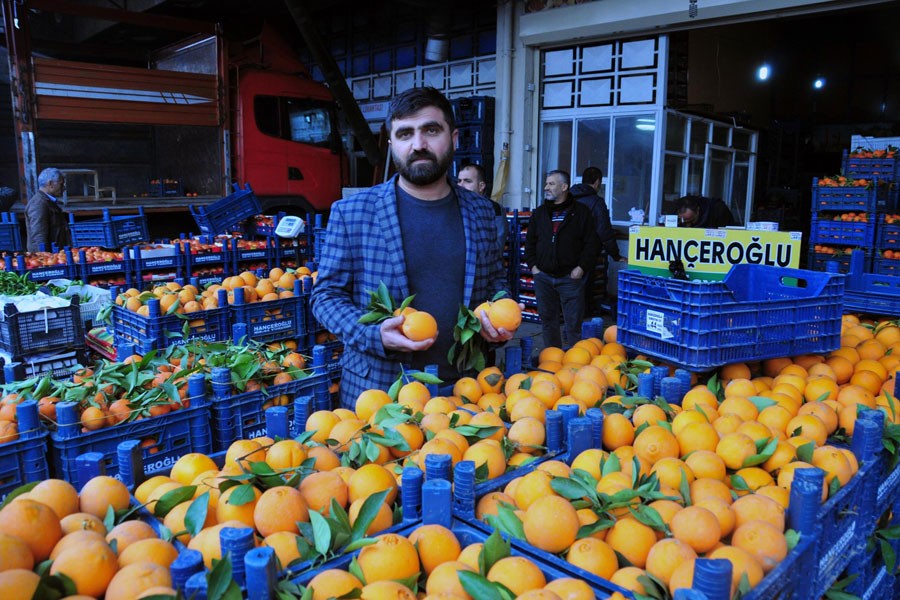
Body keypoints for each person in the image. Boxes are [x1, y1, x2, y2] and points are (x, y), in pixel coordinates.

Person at [311, 87, 513, 409]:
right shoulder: (352, 212)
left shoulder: (482, 212)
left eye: (431, 130)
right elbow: (325, 297)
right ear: (392, 144)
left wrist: (499, 320)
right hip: (379, 393)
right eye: (405, 133)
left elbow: (495, 285)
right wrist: (373, 335)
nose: (418, 144)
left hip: (466, 391)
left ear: (455, 138)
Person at [524, 169, 599, 350]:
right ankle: (553, 358)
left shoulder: (581, 213)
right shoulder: (540, 213)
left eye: (551, 184)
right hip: (544, 277)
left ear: (564, 187)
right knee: (548, 322)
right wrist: (534, 267)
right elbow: (530, 242)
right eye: (546, 183)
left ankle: (574, 362)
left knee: (573, 324)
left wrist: (580, 268)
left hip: (570, 278)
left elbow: (592, 244)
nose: (546, 187)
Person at [568, 166, 625, 316]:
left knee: (567, 286)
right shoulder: (596, 202)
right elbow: (604, 231)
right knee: (583, 287)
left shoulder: (567, 198)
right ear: (598, 182)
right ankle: (579, 323)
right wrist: (616, 255)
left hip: (564, 251)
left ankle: (568, 318)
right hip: (585, 254)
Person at [457, 162, 507, 256]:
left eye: (467, 181)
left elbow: (497, 248)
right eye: (459, 181)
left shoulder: (494, 209)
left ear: (481, 186)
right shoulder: (454, 207)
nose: (461, 185)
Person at [26, 168, 70, 252]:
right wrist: (43, 259)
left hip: (55, 254)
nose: (64, 188)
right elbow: (38, 236)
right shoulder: (38, 204)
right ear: (50, 184)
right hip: (49, 257)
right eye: (61, 184)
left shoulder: (47, 202)